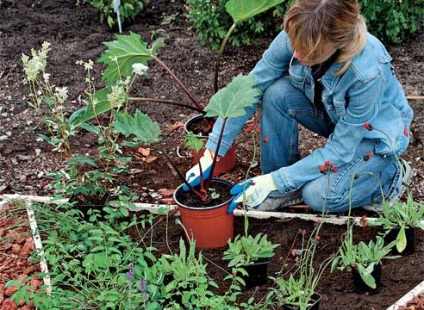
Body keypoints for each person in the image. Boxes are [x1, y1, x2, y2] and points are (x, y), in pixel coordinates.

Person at [184, 0, 414, 213]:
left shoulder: (367, 74)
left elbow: (342, 148)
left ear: (339, 42)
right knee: (277, 93)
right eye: (294, 43)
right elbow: (250, 87)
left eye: (308, 51)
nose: (295, 53)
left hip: (374, 138)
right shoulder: (302, 31)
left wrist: (278, 179)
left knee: (319, 196)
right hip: (335, 117)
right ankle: (281, 188)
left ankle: (391, 176)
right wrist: (212, 152)